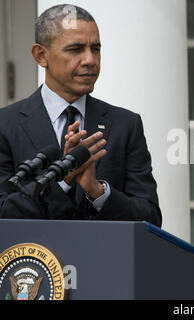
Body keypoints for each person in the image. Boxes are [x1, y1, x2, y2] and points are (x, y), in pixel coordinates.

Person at [0, 5, 161, 225]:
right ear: (41, 55)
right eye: (76, 49)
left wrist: (98, 192)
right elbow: (4, 212)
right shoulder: (5, 125)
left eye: (95, 49)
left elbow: (150, 217)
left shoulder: (126, 125)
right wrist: (61, 181)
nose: (90, 60)